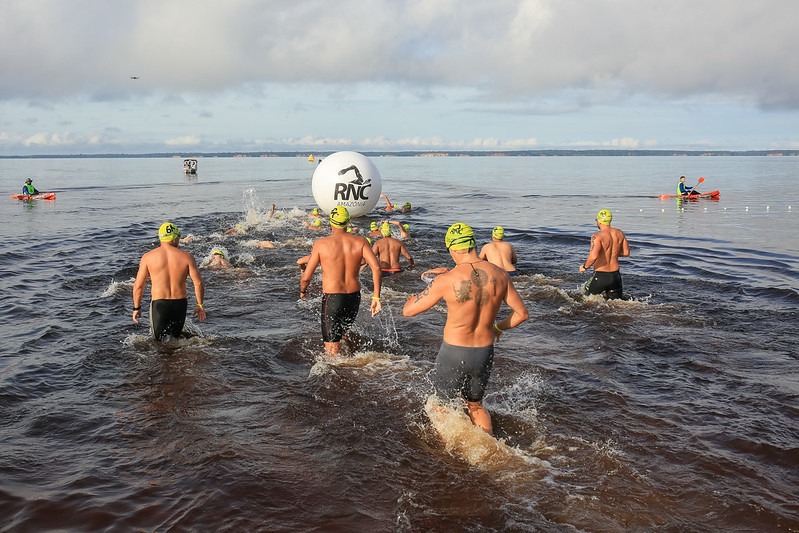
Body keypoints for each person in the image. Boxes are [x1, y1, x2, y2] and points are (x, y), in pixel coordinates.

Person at [402, 222, 529, 435]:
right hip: (484, 350)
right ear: (473, 245)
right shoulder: (500, 274)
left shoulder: (446, 279)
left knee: (439, 404)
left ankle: (451, 455)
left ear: (452, 249)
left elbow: (409, 311)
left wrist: (419, 292)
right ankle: (489, 447)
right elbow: (521, 314)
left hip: (454, 351)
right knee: (476, 405)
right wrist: (498, 328)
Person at [300, 206, 382, 355]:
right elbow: (376, 267)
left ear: (331, 223)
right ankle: (351, 370)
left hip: (333, 298)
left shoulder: (321, 244)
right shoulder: (361, 241)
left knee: (331, 351)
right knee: (342, 335)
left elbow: (306, 276)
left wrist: (303, 291)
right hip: (354, 297)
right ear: (347, 222)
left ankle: (339, 375)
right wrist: (376, 297)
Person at [132, 222, 207, 341]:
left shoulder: (148, 257)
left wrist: (137, 308)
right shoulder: (187, 257)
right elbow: (198, 283)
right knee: (176, 341)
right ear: (174, 238)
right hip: (180, 304)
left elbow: (138, 286)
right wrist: (199, 305)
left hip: (159, 305)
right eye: (178, 237)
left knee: (158, 343)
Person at [579, 209, 630, 300]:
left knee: (585, 299)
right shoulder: (619, 233)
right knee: (617, 305)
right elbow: (626, 253)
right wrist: (612, 253)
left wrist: (584, 267)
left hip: (601, 275)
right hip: (615, 276)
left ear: (599, 221)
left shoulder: (597, 236)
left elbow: (593, 256)